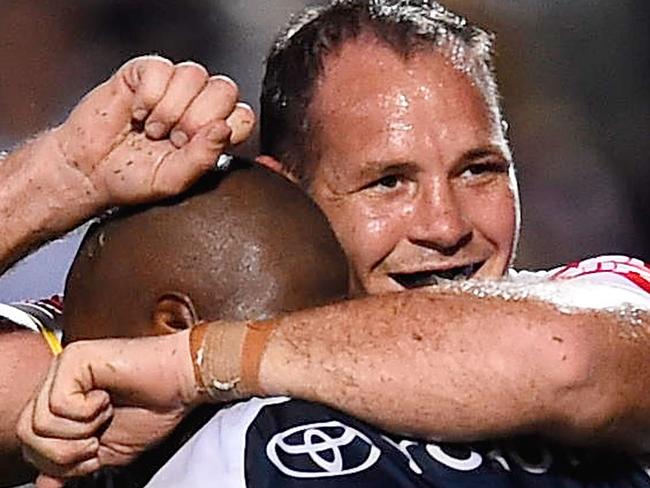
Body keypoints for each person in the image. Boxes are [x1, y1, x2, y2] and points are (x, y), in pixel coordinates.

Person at [7, 0, 650, 485]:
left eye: (479, 170)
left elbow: (568, 360)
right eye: (389, 181)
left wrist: (197, 368)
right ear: (290, 195)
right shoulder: (148, 332)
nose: (448, 225)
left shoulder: (593, 293)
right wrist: (55, 179)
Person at [56, 160, 349, 487]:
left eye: (81, 357)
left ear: (176, 327)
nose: (65, 396)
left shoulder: (223, 461)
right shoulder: (404, 429)